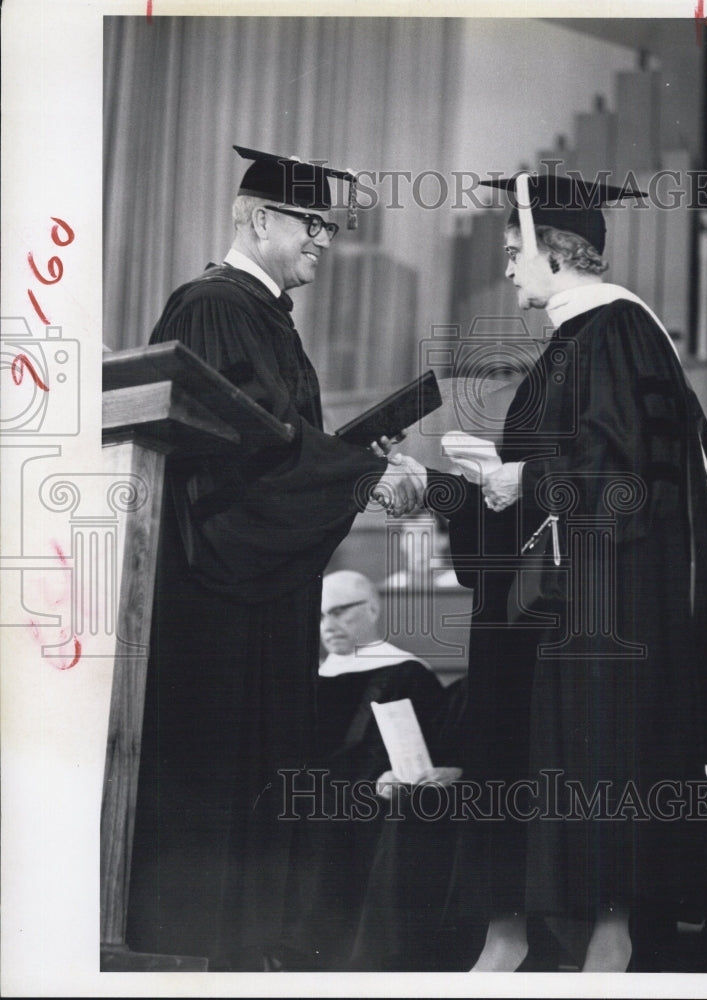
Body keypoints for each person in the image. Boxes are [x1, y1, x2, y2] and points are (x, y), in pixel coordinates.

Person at [434, 170, 707, 972]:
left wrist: (520, 479)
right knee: (511, 750)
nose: (508, 271)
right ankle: (505, 945)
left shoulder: (615, 332)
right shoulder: (572, 342)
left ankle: (605, 952)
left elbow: (623, 472)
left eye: (516, 253)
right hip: (548, 603)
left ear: (559, 252)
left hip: (597, 609)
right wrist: (465, 488)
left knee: (591, 765)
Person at [125, 146, 427, 970]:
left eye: (330, 226)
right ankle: (197, 952)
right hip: (218, 598)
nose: (326, 240)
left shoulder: (261, 318)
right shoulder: (214, 307)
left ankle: (246, 950)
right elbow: (244, 458)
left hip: (259, 597)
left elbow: (274, 446)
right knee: (218, 772)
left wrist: (352, 454)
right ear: (260, 219)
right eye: (313, 224)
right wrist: (360, 470)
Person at [279, 569, 453, 970]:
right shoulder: (309, 677)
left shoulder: (406, 672)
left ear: (372, 608)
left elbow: (420, 756)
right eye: (322, 615)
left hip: (373, 804)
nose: (329, 625)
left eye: (340, 611)